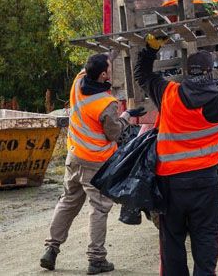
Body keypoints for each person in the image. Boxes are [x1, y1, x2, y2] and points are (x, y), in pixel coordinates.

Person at [134, 21, 218, 276]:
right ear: (210, 72)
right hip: (204, 181)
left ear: (187, 72)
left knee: (172, 239)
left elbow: (142, 75)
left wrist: (151, 47)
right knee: (206, 235)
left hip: (169, 183)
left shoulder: (169, 94)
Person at [41, 53, 145, 274]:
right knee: (99, 208)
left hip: (74, 157)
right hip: (96, 162)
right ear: (104, 75)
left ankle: (51, 249)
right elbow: (114, 133)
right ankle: (96, 259)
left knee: (68, 202)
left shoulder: (78, 82)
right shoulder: (106, 103)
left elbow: (89, 66)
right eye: (109, 67)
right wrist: (126, 116)